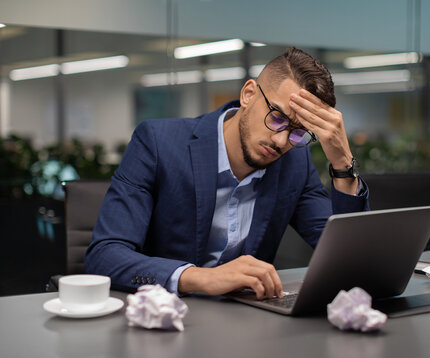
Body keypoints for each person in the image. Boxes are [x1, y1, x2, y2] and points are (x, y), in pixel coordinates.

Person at [85, 47, 369, 300]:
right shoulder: (158, 143)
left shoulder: (295, 161)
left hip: (246, 328)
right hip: (164, 319)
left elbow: (351, 261)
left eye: (298, 132)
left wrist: (343, 163)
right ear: (248, 94)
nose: (282, 142)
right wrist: (203, 278)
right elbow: (104, 256)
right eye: (277, 118)